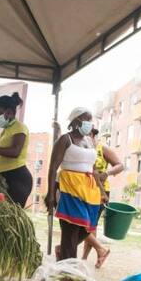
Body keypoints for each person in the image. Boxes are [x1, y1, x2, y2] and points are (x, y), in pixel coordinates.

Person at [45, 108, 101, 261]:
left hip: (89, 191)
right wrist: (50, 194)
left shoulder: (90, 141)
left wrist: (101, 191)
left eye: (91, 120)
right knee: (71, 230)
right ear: (76, 121)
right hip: (69, 189)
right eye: (86, 119)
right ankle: (68, 267)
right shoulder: (65, 139)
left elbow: (94, 169)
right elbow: (53, 168)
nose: (90, 123)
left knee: (85, 228)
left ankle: (64, 256)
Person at [82, 128, 125, 268]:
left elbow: (120, 165)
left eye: (87, 134)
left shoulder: (102, 148)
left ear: (93, 135)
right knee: (85, 225)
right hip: (83, 189)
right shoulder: (82, 146)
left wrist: (107, 173)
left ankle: (85, 259)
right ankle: (93, 255)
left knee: (90, 225)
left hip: (100, 191)